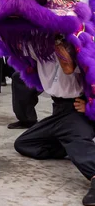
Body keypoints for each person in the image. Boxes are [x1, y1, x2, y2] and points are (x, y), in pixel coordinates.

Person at [13, 54, 95, 205]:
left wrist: (91, 106)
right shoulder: (36, 47)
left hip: (77, 111)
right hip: (58, 111)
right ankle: (69, 146)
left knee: (76, 139)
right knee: (24, 143)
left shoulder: (76, 42)